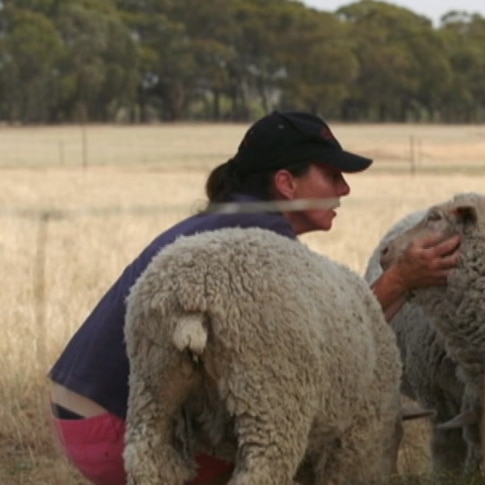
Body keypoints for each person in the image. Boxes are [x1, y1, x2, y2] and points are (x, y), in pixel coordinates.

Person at [47, 111, 460, 485]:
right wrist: (400, 280)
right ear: (286, 183)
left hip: (80, 412)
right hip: (116, 428)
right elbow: (336, 338)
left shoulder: (229, 223)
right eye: (332, 176)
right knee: (299, 432)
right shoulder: (254, 247)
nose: (344, 188)